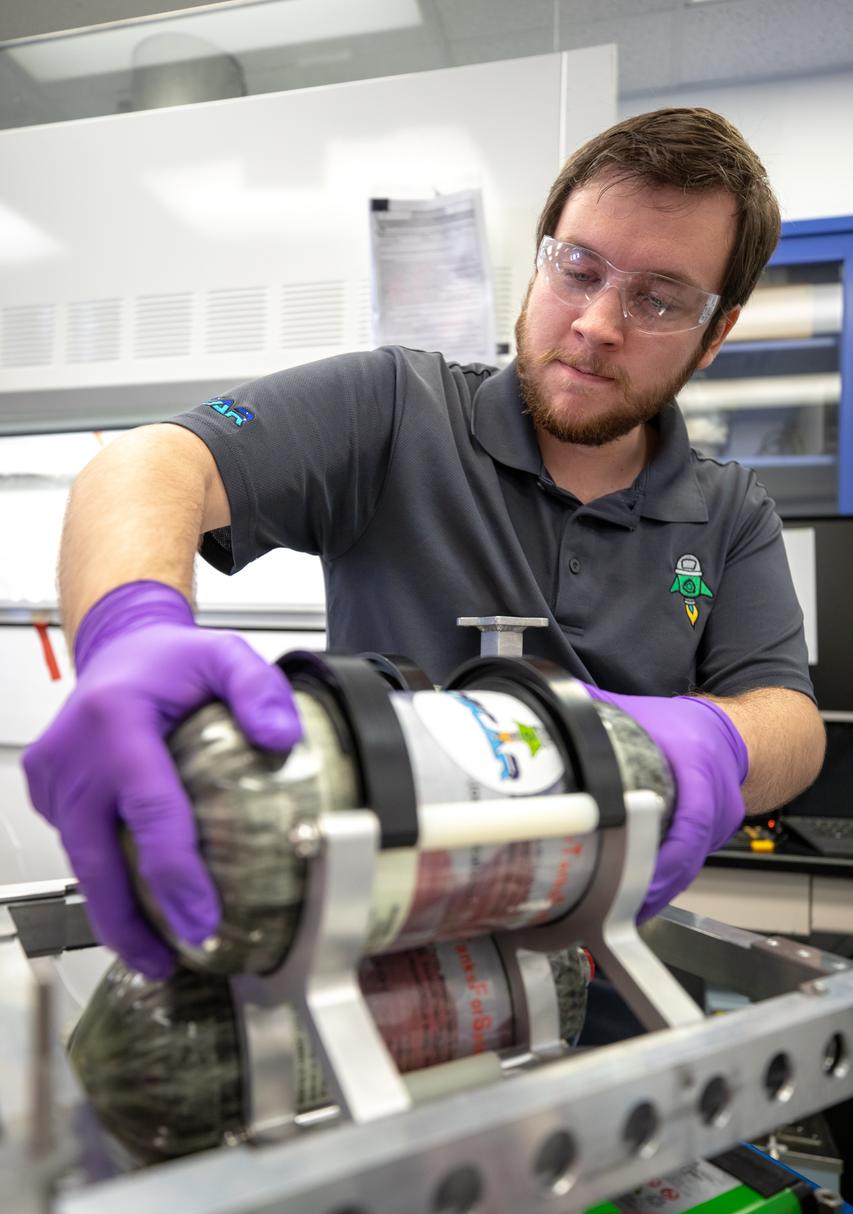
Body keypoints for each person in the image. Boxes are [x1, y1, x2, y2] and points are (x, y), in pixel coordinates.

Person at [23, 108, 825, 994]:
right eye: (578, 269)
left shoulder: (726, 509)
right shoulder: (395, 409)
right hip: (354, 959)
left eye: (659, 298)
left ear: (714, 335)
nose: (597, 322)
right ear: (540, 259)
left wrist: (721, 738)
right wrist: (129, 629)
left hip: (597, 968)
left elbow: (789, 722)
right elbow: (153, 459)